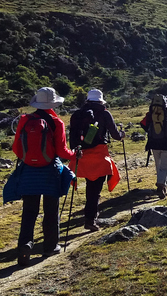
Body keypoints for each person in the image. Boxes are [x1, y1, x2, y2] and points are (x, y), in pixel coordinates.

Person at [11, 87, 76, 264]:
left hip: (28, 173)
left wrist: (30, 160)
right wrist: (74, 155)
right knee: (51, 210)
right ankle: (50, 247)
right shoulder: (57, 123)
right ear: (53, 103)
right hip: (49, 172)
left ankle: (25, 246)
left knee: (29, 212)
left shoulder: (24, 120)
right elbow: (62, 151)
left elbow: (16, 147)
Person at [69, 89, 125, 231]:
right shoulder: (105, 113)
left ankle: (90, 217)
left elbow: (72, 136)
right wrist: (122, 134)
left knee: (90, 186)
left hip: (82, 155)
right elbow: (115, 135)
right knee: (95, 190)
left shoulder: (77, 114)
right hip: (99, 155)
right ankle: (90, 220)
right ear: (100, 101)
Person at [139, 94, 167, 199]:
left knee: (158, 166)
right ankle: (161, 185)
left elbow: (143, 123)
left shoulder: (151, 114)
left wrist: (151, 132)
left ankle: (163, 185)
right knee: (165, 166)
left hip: (154, 143)